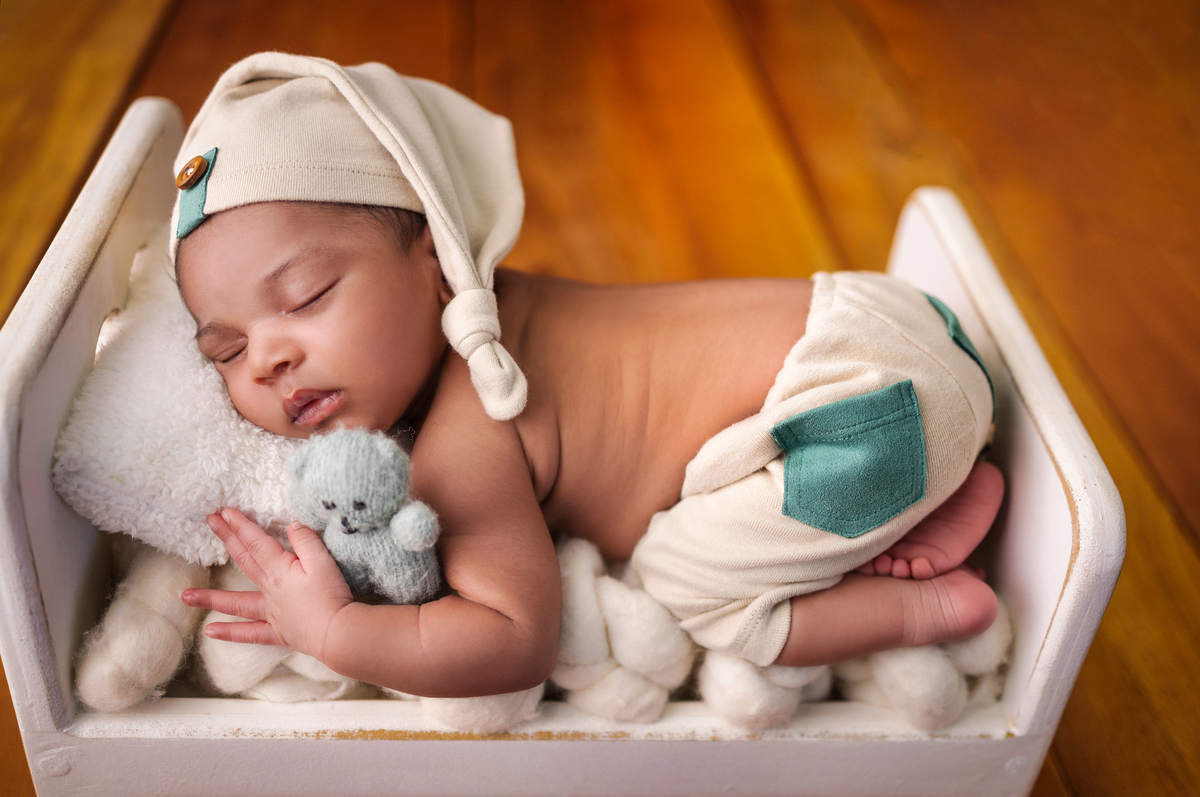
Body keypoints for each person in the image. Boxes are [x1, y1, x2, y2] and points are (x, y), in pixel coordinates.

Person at [175, 53, 1001, 699]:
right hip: (890, 322)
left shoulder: (467, 439)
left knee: (684, 576)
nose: (268, 357)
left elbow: (511, 638)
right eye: (227, 352)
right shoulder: (506, 306)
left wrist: (333, 631)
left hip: (857, 415)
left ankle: (921, 604)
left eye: (306, 296)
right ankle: (930, 493)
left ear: (435, 250)